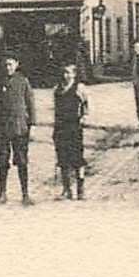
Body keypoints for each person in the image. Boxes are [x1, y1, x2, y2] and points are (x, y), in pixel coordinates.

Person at [0, 54, 37, 205]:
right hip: (2, 127)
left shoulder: (23, 81)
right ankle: (2, 193)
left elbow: (30, 103)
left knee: (22, 160)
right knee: (2, 160)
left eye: (11, 64)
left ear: (17, 64)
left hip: (19, 127)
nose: (8, 67)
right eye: (5, 64)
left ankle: (25, 194)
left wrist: (32, 124)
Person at [53, 61, 89, 200]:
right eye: (64, 72)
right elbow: (56, 109)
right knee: (62, 158)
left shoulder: (80, 88)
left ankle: (80, 188)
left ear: (74, 74)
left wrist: (84, 117)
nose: (65, 75)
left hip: (74, 126)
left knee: (77, 158)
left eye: (68, 72)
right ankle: (66, 188)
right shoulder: (58, 89)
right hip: (61, 127)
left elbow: (86, 105)